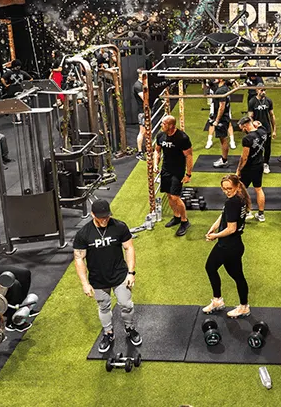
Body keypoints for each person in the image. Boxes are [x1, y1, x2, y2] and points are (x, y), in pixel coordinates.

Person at [73, 199, 141, 354]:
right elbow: (79, 258)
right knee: (103, 307)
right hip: (98, 279)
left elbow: (129, 248)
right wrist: (84, 283)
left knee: (127, 304)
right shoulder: (83, 234)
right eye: (101, 217)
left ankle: (130, 328)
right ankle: (108, 333)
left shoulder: (119, 227)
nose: (104, 219)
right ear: (93, 215)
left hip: (119, 275)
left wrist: (131, 272)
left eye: (107, 216)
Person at [202, 174, 251, 319]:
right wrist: (213, 227)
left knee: (211, 268)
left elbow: (231, 228)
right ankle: (240, 305)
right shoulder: (240, 198)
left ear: (237, 186)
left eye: (229, 188)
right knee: (237, 276)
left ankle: (226, 302)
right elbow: (224, 215)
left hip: (228, 246)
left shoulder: (232, 202)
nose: (227, 191)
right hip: (235, 245)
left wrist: (215, 236)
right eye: (224, 189)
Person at [154, 115, 194, 237]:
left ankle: (184, 221)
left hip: (178, 171)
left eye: (164, 124)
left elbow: (189, 156)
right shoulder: (160, 136)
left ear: (171, 125)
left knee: (175, 197)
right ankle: (176, 217)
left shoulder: (182, 138)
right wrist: (156, 164)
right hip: (166, 170)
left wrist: (188, 174)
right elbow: (157, 151)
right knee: (169, 196)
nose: (161, 125)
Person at [236, 116, 267, 222]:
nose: (242, 130)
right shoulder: (263, 131)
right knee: (258, 189)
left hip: (249, 167)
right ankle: (261, 215)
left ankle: (247, 212)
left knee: (241, 189)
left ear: (245, 126)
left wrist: (239, 170)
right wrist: (257, 124)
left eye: (242, 128)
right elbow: (260, 124)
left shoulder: (247, 139)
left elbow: (244, 157)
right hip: (259, 165)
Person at [248, 85, 276, 174]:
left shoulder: (268, 101)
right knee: (255, 146)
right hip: (257, 130)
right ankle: (255, 163)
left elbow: (272, 115)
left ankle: (266, 163)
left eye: (264, 90)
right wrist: (252, 127)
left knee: (267, 148)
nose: (263, 92)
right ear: (257, 90)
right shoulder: (252, 101)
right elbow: (250, 117)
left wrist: (274, 130)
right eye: (261, 90)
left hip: (267, 128)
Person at [208, 78, 236, 166]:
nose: (215, 78)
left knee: (223, 139)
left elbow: (222, 107)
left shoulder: (221, 91)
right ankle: (224, 159)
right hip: (224, 116)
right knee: (223, 139)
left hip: (222, 118)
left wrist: (217, 120)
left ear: (221, 79)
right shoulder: (225, 88)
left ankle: (224, 160)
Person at [132, 68, 147, 161]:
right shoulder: (137, 85)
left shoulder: (142, 84)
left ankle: (146, 148)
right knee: (142, 132)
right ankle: (139, 152)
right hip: (142, 112)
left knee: (147, 131)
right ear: (140, 75)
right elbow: (144, 98)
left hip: (145, 111)